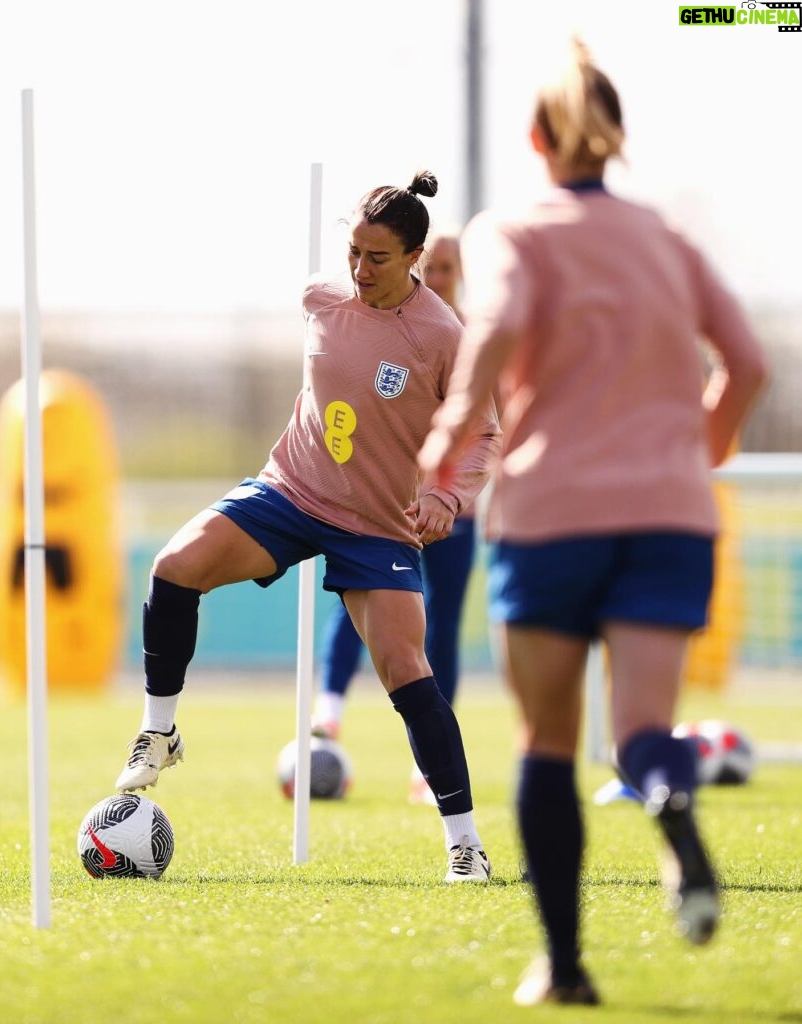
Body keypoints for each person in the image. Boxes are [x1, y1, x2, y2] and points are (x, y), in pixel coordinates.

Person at [419, 41, 767, 1003]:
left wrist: (451, 427)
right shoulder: (668, 239)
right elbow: (745, 363)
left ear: (534, 138)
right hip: (668, 517)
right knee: (642, 730)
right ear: (614, 138)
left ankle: (565, 969)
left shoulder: (509, 231)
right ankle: (669, 800)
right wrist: (699, 449)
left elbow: (492, 328)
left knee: (546, 743)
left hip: (552, 514)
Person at [115, 170, 502, 883]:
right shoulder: (320, 299)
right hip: (290, 492)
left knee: (405, 670)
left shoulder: (442, 336)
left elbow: (481, 433)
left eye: (377, 258)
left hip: (376, 524)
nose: (359, 270)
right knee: (174, 566)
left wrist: (446, 497)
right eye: (353, 252)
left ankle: (465, 846)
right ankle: (159, 732)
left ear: (415, 256)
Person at [311, 231, 479, 806]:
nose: (439, 275)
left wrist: (450, 494)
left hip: (453, 512)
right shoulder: (387, 318)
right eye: (434, 265)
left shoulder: (470, 338)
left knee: (439, 628)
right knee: (359, 596)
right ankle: (327, 714)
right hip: (385, 501)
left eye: (451, 267)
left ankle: (427, 768)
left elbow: (487, 428)